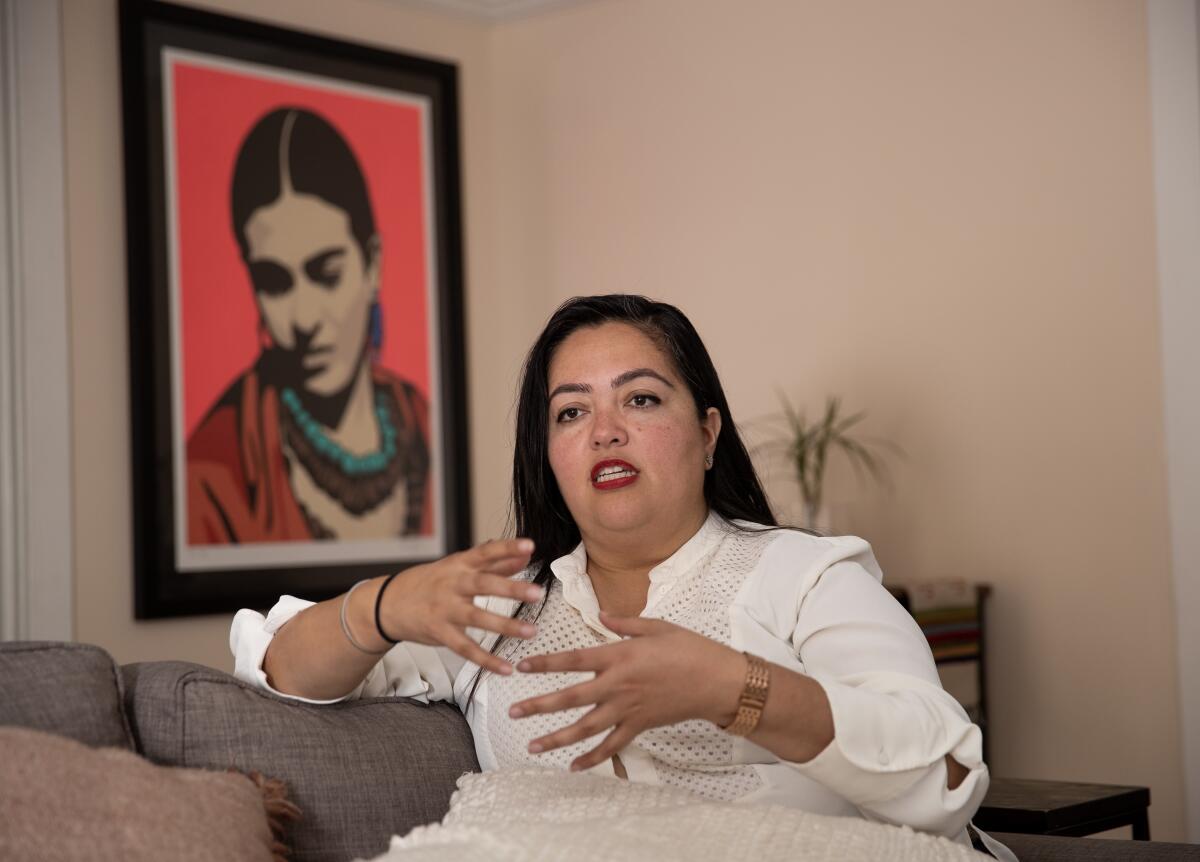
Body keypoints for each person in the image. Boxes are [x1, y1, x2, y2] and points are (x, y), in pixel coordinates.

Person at [231, 294, 1007, 856]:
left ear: (707, 434)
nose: (605, 430)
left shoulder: (804, 575)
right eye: (571, 413)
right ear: (549, 451)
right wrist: (385, 607)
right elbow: (280, 670)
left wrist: (735, 690)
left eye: (640, 398)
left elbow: (947, 779)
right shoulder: (500, 602)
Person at [187, 107, 431, 545]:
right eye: (274, 282)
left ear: (372, 263)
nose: (302, 319)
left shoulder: (423, 422)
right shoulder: (213, 469)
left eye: (326, 274)